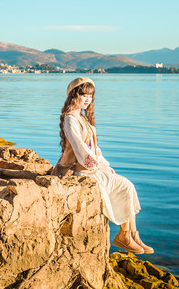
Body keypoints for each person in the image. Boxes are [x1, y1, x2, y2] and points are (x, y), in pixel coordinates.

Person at [53, 77, 153, 254]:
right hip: (81, 172)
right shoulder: (70, 119)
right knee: (122, 186)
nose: (87, 99)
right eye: (83, 95)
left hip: (92, 169)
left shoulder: (83, 118)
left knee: (127, 186)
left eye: (90, 96)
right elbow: (80, 149)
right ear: (73, 96)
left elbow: (95, 148)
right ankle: (125, 236)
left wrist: (105, 166)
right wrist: (97, 166)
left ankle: (131, 235)